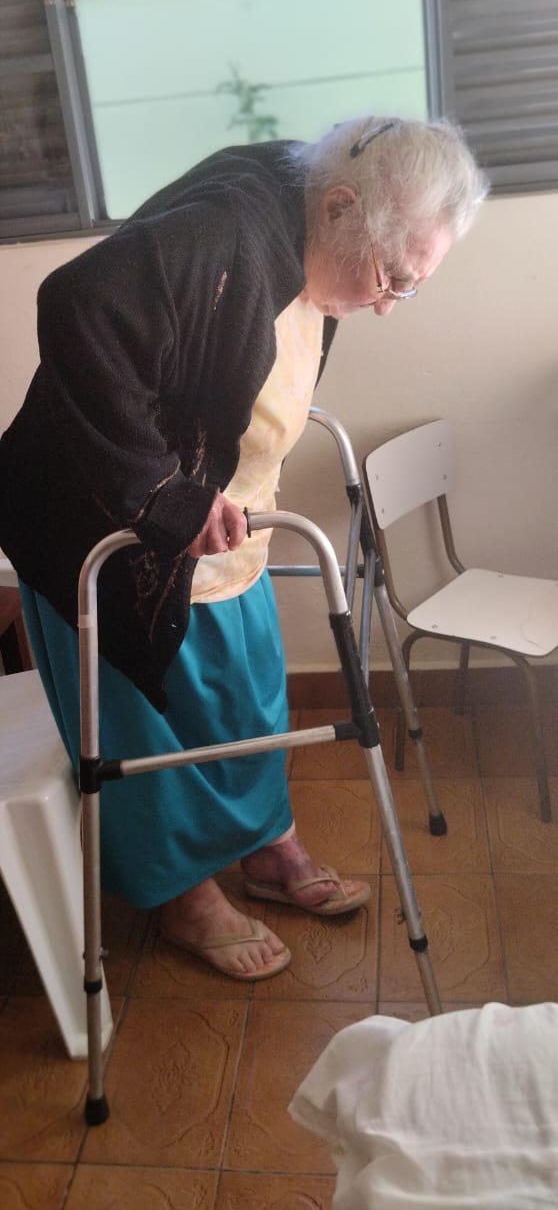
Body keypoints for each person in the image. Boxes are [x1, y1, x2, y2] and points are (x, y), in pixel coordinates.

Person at [0, 115, 488, 981]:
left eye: (408, 288)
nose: (385, 305)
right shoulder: (228, 225)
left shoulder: (312, 201)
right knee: (144, 718)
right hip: (104, 523)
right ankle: (183, 894)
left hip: (228, 519)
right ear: (338, 206)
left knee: (245, 693)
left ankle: (266, 844)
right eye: (390, 279)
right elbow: (77, 304)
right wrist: (163, 492)